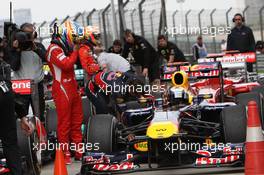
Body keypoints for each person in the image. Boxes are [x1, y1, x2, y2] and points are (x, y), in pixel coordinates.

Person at [46, 21, 84, 164]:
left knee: (77, 122)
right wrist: (75, 50)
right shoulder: (53, 49)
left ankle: (79, 151)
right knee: (64, 124)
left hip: (73, 88)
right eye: (72, 37)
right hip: (61, 89)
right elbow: (66, 65)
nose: (74, 41)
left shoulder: (64, 49)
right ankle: (65, 153)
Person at [1, 41, 33, 175]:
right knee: (11, 145)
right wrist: (23, 116)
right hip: (5, 97)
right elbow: (12, 94)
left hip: (6, 98)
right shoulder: (4, 69)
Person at [10, 23, 46, 122]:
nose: (29, 36)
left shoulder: (38, 46)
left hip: (37, 85)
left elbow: (47, 59)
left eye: (32, 33)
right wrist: (16, 50)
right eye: (27, 34)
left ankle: (41, 135)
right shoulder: (14, 49)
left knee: (39, 116)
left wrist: (36, 49)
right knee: (23, 118)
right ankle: (25, 137)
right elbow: (14, 67)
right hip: (21, 87)